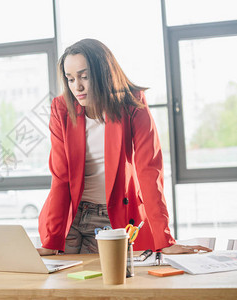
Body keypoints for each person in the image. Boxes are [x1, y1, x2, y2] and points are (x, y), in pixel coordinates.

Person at [37, 38, 211, 255]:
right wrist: (51, 242)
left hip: (112, 218)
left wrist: (164, 239)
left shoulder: (132, 102)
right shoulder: (61, 107)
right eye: (70, 79)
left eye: (84, 76)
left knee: (108, 285)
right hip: (69, 218)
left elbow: (149, 170)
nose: (77, 87)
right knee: (65, 285)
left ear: (103, 72)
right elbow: (61, 177)